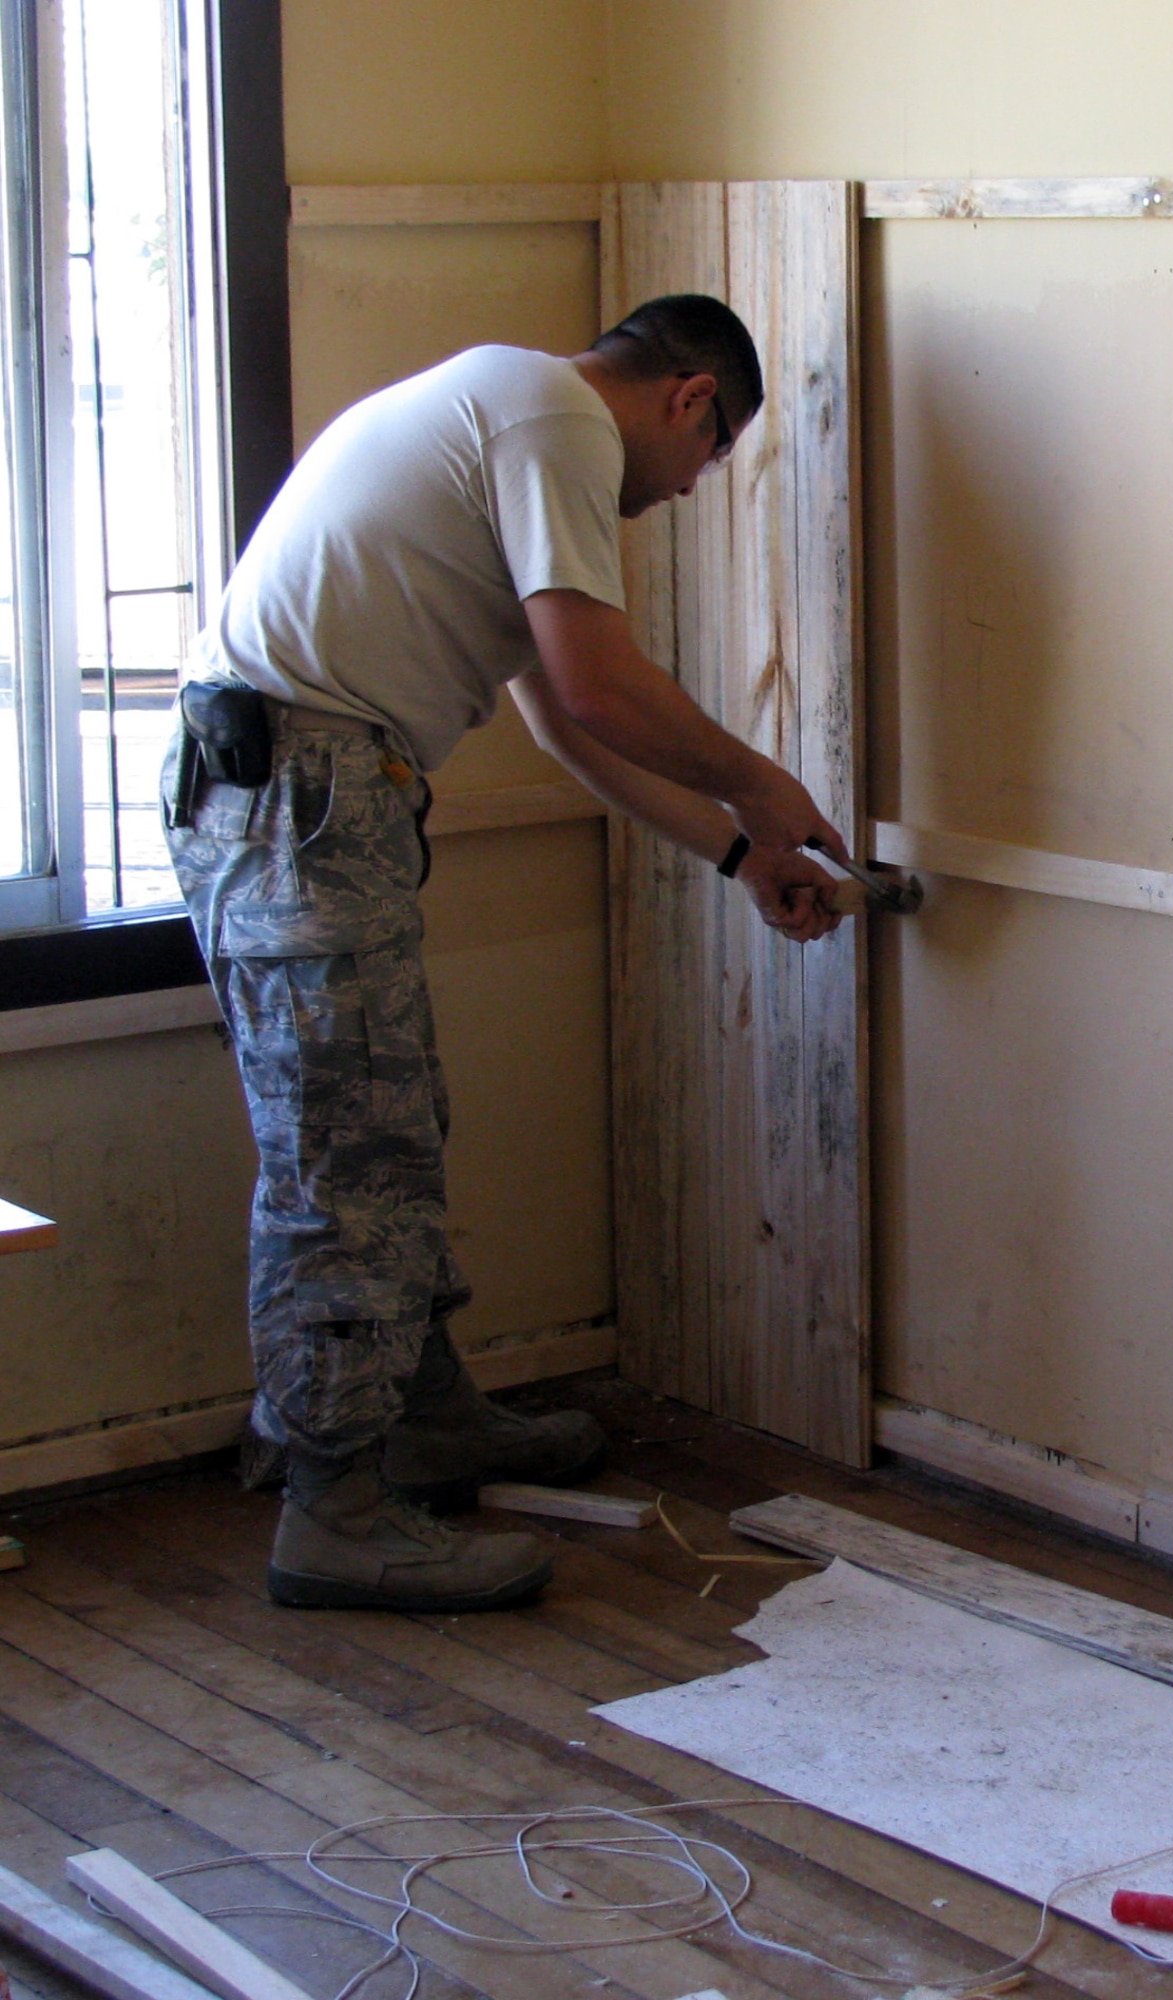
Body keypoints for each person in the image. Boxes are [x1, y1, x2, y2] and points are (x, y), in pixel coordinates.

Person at [163, 293, 850, 1617]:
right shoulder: (550, 417)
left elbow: (561, 721)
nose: (689, 493)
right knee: (347, 1158)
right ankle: (337, 1509)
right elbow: (599, 687)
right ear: (690, 397)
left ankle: (421, 1421)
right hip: (304, 796)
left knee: (388, 1126)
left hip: (300, 791)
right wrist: (762, 783)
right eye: (708, 464)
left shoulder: (503, 408)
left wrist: (734, 852)